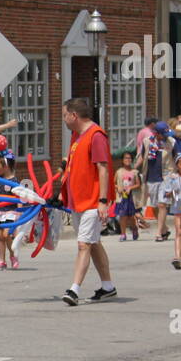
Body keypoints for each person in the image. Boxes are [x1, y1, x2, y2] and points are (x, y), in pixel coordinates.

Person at [58, 98, 115, 306]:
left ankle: (74, 289)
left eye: (64, 115)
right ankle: (108, 287)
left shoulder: (96, 136)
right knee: (93, 243)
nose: (63, 119)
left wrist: (102, 201)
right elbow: (73, 167)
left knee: (83, 245)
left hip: (92, 201)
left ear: (74, 115)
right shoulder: (77, 136)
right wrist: (62, 192)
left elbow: (103, 168)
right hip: (78, 201)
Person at [136, 118, 175, 242]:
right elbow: (142, 157)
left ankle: (158, 233)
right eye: (163, 134)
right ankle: (164, 229)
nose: (165, 137)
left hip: (166, 176)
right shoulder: (147, 142)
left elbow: (178, 157)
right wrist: (134, 169)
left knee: (162, 204)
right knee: (154, 206)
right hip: (151, 176)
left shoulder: (172, 142)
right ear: (156, 133)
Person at [0, 151, 20, 270]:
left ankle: (13, 256)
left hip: (11, 211)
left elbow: (19, 198)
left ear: (5, 167)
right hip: (0, 210)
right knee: (0, 237)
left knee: (7, 234)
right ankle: (2, 261)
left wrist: (20, 214)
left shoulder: (14, 181)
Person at [113, 150, 141, 241]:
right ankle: (123, 234)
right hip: (122, 197)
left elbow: (138, 184)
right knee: (122, 215)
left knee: (131, 216)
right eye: (126, 158)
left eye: (129, 158)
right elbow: (113, 183)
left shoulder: (135, 172)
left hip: (131, 197)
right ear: (122, 160)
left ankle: (134, 228)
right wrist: (118, 188)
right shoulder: (119, 172)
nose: (127, 160)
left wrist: (130, 188)